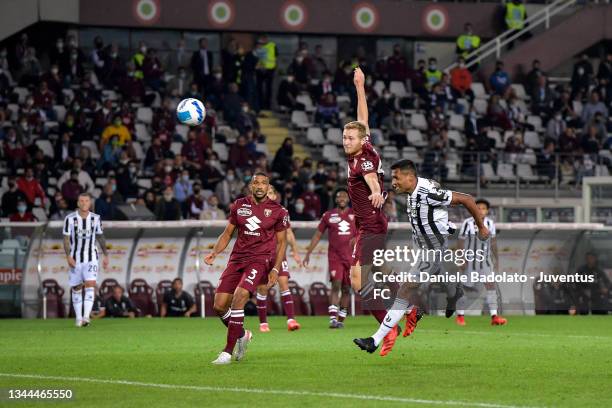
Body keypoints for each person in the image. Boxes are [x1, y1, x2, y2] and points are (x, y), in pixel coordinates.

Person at [353, 159, 489, 356]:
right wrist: (445, 224)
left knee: (404, 291)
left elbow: (466, 199)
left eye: (397, 178)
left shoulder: (427, 192)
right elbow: (435, 208)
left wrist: (481, 227)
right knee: (444, 281)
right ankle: (454, 294)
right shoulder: (414, 191)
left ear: (410, 177)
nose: (394, 183)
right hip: (425, 247)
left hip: (432, 249)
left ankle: (374, 339)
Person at [343, 67, 404, 357]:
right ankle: (400, 311)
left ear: (359, 141)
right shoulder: (364, 146)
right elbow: (363, 120)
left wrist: (377, 191)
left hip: (371, 224)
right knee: (375, 275)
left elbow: (369, 178)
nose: (346, 140)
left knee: (358, 279)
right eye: (344, 137)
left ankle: (387, 327)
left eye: (350, 138)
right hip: (370, 223)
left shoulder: (361, 162)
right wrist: (360, 86)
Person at [204, 172, 288, 365]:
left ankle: (226, 352)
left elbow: (282, 244)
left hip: (260, 260)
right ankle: (242, 334)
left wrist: (275, 269)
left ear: (268, 187)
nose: (259, 186)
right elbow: (227, 234)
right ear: (251, 186)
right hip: (237, 259)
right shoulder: (239, 205)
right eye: (256, 183)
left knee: (240, 296)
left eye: (263, 183)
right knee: (218, 305)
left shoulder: (278, 211)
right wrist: (215, 253)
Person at [304, 189, 356, 328]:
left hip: (351, 258)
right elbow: (317, 235)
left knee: (346, 288)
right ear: (336, 199)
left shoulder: (355, 215)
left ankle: (341, 319)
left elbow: (364, 232)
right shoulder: (328, 215)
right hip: (335, 257)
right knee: (336, 284)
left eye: (344, 196)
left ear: (348, 198)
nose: (342, 198)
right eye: (339, 196)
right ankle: (333, 319)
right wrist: (308, 253)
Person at [254, 186, 302, 332]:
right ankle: (263, 323)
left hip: (279, 255)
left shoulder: (282, 211)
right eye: (266, 193)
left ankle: (291, 320)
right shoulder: (255, 211)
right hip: (262, 255)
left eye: (270, 193)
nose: (268, 195)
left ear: (275, 196)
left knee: (284, 283)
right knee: (262, 288)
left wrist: (295, 251)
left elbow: (289, 232)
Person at [455, 199, 508, 326]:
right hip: (470, 262)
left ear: (487, 211)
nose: (481, 210)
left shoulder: (490, 223)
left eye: (483, 208)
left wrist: (497, 260)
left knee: (491, 287)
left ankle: (494, 317)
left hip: (485, 262)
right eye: (478, 208)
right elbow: (460, 243)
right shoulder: (467, 223)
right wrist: (461, 259)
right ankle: (460, 316)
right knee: (465, 289)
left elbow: (493, 243)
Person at [63, 193, 110, 327]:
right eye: (81, 201)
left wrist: (106, 255)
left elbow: (100, 237)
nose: (84, 203)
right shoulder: (70, 219)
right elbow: (66, 239)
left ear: (90, 203)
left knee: (90, 284)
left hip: (91, 257)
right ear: (78, 203)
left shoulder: (96, 219)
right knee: (77, 288)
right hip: (75, 258)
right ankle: (78, 318)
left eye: (86, 201)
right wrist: (68, 256)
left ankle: (86, 317)